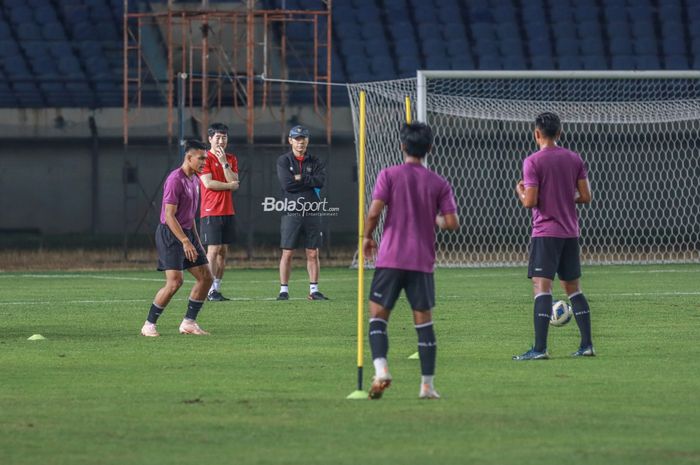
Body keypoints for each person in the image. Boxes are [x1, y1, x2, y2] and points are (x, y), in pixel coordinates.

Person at [362, 122, 459, 400]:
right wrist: (435, 218)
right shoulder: (438, 182)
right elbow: (452, 222)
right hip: (421, 261)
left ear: (402, 146)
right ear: (430, 148)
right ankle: (427, 386)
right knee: (424, 323)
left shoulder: (389, 175)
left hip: (391, 258)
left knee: (378, 319)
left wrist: (367, 237)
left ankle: (381, 369)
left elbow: (374, 212)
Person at [513, 111, 594, 360]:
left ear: (537, 133)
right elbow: (586, 197)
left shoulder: (533, 162)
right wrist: (563, 196)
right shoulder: (574, 158)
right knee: (573, 288)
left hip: (546, 232)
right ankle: (587, 345)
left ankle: (539, 349)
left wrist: (520, 190)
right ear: (559, 133)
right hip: (570, 231)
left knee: (541, 287)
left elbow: (530, 202)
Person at [141, 139, 214, 337]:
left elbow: (190, 217)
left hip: (187, 234)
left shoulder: (195, 180)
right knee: (175, 282)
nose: (203, 163)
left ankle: (189, 323)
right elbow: (169, 216)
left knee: (206, 278)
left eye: (205, 159)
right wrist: (184, 241)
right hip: (171, 234)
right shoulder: (175, 179)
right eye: (200, 159)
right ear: (188, 158)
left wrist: (196, 243)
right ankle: (149, 325)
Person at [275, 125, 329, 301]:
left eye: (303, 139)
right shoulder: (283, 160)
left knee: (313, 252)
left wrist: (300, 178)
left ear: (307, 141)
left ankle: (314, 290)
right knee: (287, 252)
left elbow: (320, 181)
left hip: (312, 210)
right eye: (297, 139)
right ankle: (284, 290)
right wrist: (309, 181)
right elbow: (287, 185)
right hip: (291, 211)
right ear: (290, 140)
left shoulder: (315, 161)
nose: (300, 142)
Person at [199, 123, 240, 301]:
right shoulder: (204, 158)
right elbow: (209, 183)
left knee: (223, 251)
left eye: (224, 138)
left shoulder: (231, 158)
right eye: (217, 137)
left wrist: (224, 164)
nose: (221, 141)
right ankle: (208, 290)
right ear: (210, 139)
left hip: (227, 211)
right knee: (213, 250)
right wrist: (229, 185)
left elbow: (235, 182)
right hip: (210, 210)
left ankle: (216, 289)